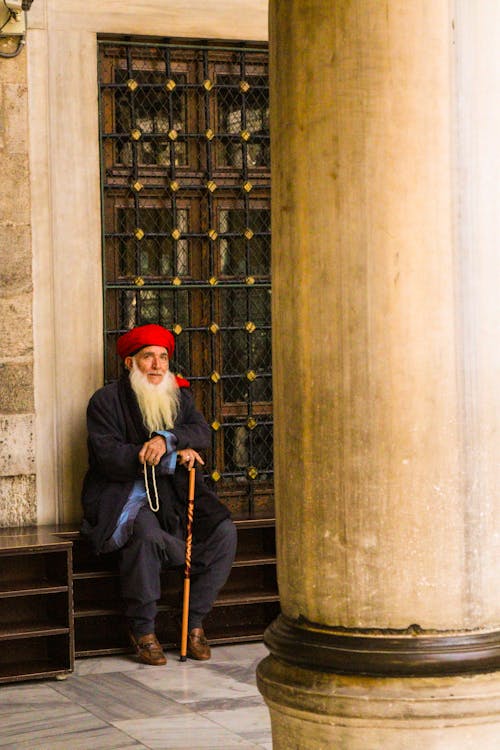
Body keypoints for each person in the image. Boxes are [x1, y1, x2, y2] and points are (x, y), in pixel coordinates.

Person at [80, 323, 237, 666]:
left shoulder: (178, 397)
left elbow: (200, 431)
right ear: (129, 363)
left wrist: (168, 439)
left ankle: (192, 623)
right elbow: (109, 457)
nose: (157, 365)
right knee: (147, 536)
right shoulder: (105, 401)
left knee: (225, 531)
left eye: (163, 357)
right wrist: (168, 457)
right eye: (148, 356)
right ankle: (143, 630)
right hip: (124, 495)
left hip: (172, 496)